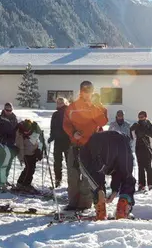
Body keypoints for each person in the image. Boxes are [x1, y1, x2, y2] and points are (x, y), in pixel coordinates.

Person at [62, 81, 108, 211]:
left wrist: (92, 107)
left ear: (92, 92)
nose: (87, 94)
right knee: (73, 175)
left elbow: (103, 121)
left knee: (87, 176)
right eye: (84, 91)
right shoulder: (72, 107)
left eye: (89, 91)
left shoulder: (96, 107)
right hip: (74, 145)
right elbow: (66, 123)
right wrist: (72, 133)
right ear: (81, 91)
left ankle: (84, 204)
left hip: (90, 147)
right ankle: (72, 203)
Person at [79, 131, 136, 220]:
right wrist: (115, 190)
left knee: (94, 178)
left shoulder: (84, 151)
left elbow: (95, 171)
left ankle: (101, 212)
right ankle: (122, 209)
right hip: (123, 141)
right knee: (127, 177)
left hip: (100, 143)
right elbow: (118, 169)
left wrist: (99, 188)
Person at [15, 119, 46, 193]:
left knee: (30, 168)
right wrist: (21, 158)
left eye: (28, 131)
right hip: (25, 153)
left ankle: (20, 182)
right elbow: (20, 147)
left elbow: (40, 137)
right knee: (30, 169)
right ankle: (25, 185)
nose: (26, 132)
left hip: (34, 151)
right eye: (25, 131)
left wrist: (40, 149)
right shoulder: (19, 133)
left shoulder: (34, 127)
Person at [130, 111, 152, 191]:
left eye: (142, 117)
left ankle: (151, 184)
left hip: (147, 148)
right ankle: (141, 184)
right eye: (139, 117)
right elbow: (133, 137)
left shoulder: (148, 124)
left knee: (148, 166)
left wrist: (145, 132)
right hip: (139, 148)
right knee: (140, 167)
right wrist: (132, 130)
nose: (140, 118)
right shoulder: (137, 125)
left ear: (145, 117)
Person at [0, 102, 18, 182]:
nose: (9, 111)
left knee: (8, 162)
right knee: (0, 161)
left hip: (11, 142)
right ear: (4, 109)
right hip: (1, 142)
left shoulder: (14, 118)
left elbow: (16, 129)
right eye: (7, 110)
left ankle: (4, 179)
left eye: (10, 110)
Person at [48, 97, 70, 188]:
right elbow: (53, 127)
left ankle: (71, 181)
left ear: (65, 103)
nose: (59, 104)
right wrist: (51, 136)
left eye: (61, 102)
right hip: (58, 141)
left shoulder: (68, 113)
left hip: (68, 141)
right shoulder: (55, 114)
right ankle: (58, 180)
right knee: (57, 162)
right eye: (58, 102)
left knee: (69, 162)